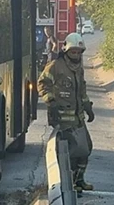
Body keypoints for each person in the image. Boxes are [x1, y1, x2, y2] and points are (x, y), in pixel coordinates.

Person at [37, 33, 95, 193]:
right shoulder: (55, 66)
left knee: (86, 148)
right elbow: (42, 83)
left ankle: (79, 179)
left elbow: (81, 91)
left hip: (78, 117)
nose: (76, 55)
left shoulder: (79, 69)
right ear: (66, 51)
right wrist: (51, 102)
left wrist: (87, 106)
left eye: (78, 52)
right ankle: (71, 183)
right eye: (73, 52)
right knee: (75, 150)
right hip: (62, 117)